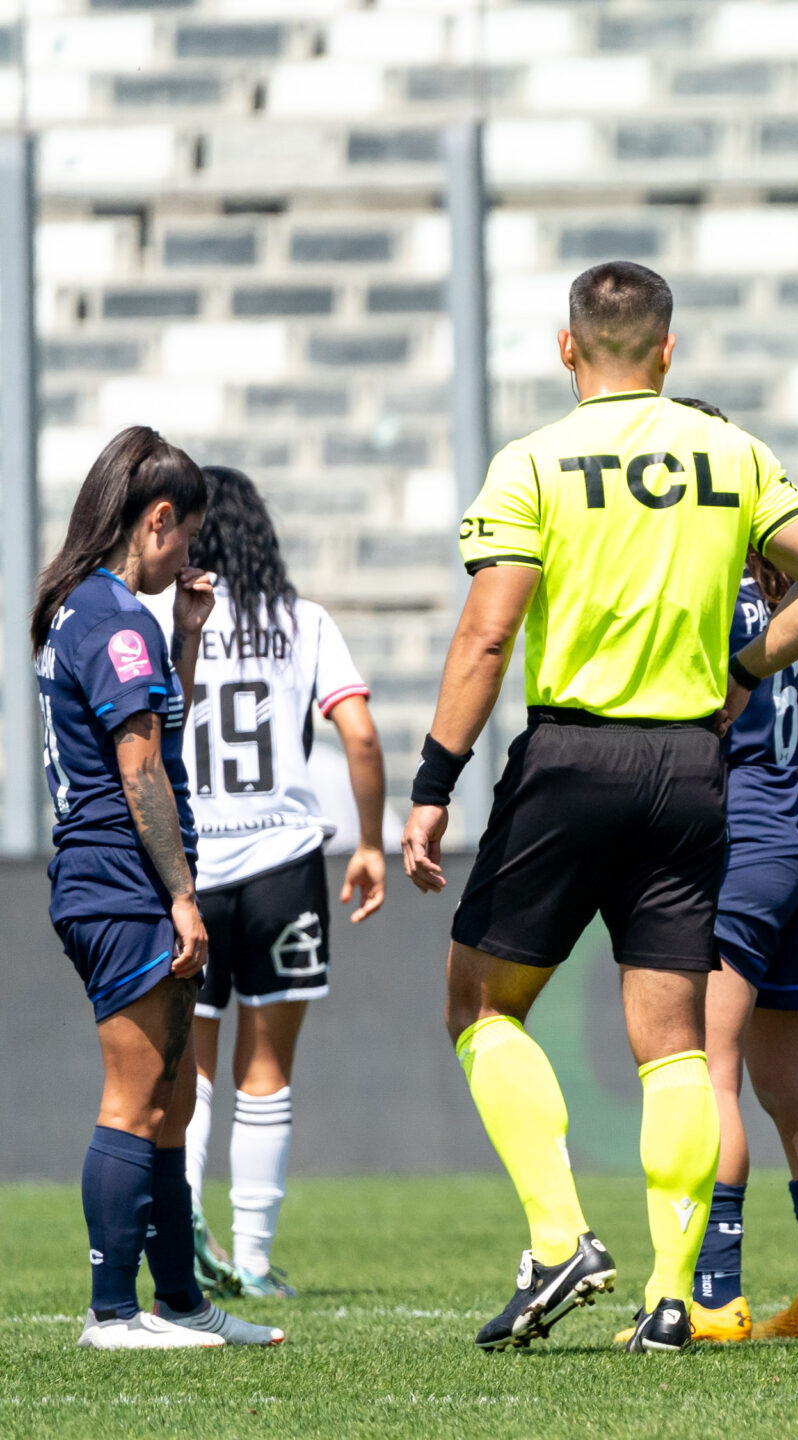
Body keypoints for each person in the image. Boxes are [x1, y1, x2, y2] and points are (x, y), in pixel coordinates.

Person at [400, 262, 798, 1354]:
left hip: (573, 756)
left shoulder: (532, 463)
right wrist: (745, 664)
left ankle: (560, 1240)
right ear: (668, 349)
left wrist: (433, 783)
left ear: (568, 349)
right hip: (692, 771)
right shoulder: (733, 454)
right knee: (672, 1050)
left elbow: (486, 635)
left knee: (480, 1005)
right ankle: (670, 1294)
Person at [40, 427, 280, 1350]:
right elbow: (141, 772)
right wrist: (182, 897)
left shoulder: (96, 610)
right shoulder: (107, 616)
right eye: (186, 538)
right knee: (135, 1094)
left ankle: (179, 1301)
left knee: (171, 1097)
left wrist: (184, 638)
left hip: (115, 873)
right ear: (158, 520)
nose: (189, 558)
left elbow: (154, 728)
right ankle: (112, 1313)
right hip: (119, 876)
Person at [654, 399, 798, 1345]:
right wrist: (791, 783)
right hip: (795, 844)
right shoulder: (778, 588)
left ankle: (714, 1297)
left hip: (732, 852)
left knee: (710, 1070)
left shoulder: (685, 584)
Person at [168, 465, 387, 1302]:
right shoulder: (302, 621)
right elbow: (359, 736)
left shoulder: (164, 620)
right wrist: (368, 842)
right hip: (280, 866)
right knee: (268, 1073)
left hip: (188, 866)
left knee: (189, 1073)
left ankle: (184, 1243)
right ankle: (254, 1263)